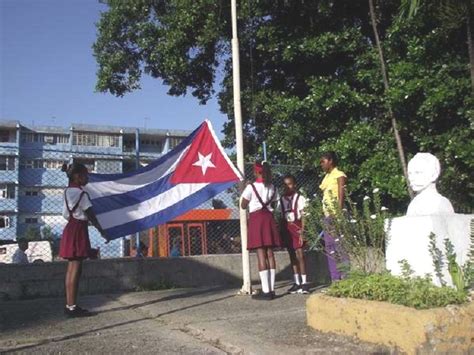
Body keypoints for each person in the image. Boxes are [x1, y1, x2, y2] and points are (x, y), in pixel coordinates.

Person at [60, 163, 109, 317]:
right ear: (77, 176)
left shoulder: (67, 192)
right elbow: (92, 216)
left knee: (71, 268)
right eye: (85, 175)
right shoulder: (81, 194)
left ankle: (70, 305)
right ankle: (72, 307)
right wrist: (103, 232)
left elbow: (65, 214)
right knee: (76, 268)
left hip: (70, 228)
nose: (87, 178)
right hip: (79, 229)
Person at [241, 162, 281, 300]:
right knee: (270, 253)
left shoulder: (251, 187)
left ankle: (265, 291)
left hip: (257, 219)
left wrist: (245, 188)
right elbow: (276, 203)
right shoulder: (273, 187)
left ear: (256, 172)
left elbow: (243, 204)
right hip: (269, 218)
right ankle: (272, 289)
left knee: (260, 253)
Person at [319, 151, 348, 282]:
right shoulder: (326, 177)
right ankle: (335, 278)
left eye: (323, 161)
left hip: (335, 215)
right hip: (327, 216)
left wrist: (338, 213)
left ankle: (346, 276)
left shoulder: (339, 175)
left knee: (339, 246)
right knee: (330, 248)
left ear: (330, 161)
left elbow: (342, 194)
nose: (321, 164)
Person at [280, 175, 310, 294]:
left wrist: (303, 231)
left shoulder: (299, 198)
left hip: (297, 227)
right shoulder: (282, 199)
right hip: (287, 228)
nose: (288, 187)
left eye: (290, 184)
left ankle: (304, 282)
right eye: (285, 184)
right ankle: (296, 282)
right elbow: (281, 215)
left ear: (295, 185)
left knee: (300, 254)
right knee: (292, 254)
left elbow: (303, 215)